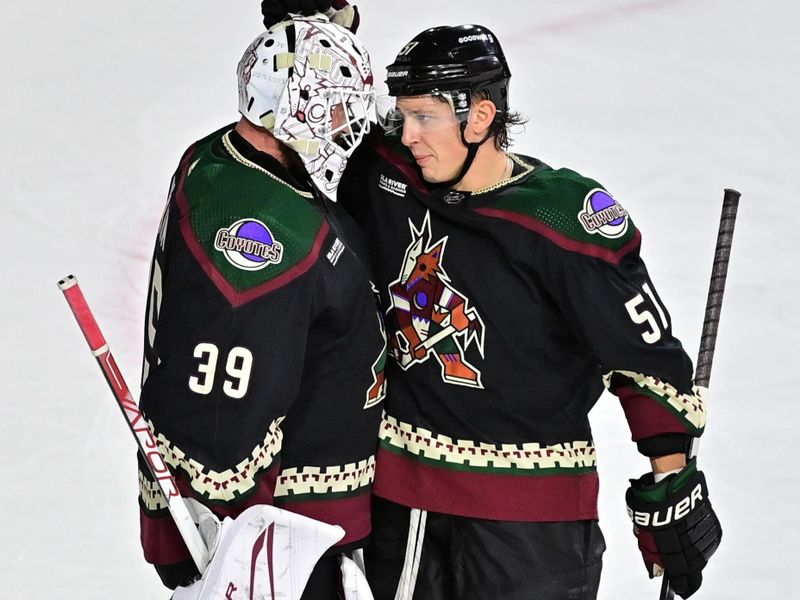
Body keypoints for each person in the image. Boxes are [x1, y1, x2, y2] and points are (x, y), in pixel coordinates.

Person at [257, 5, 722, 600]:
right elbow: (309, 110)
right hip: (408, 508)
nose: (409, 135)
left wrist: (672, 477)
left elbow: (643, 357)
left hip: (533, 525)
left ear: (480, 116)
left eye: (426, 117)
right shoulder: (383, 175)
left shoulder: (563, 217)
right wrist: (328, 27)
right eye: (403, 117)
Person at [139, 13, 386, 598]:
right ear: (293, 108)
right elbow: (220, 421)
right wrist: (237, 552)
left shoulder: (221, 158)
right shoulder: (263, 231)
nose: (346, 125)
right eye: (331, 107)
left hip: (288, 536)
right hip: (275, 547)